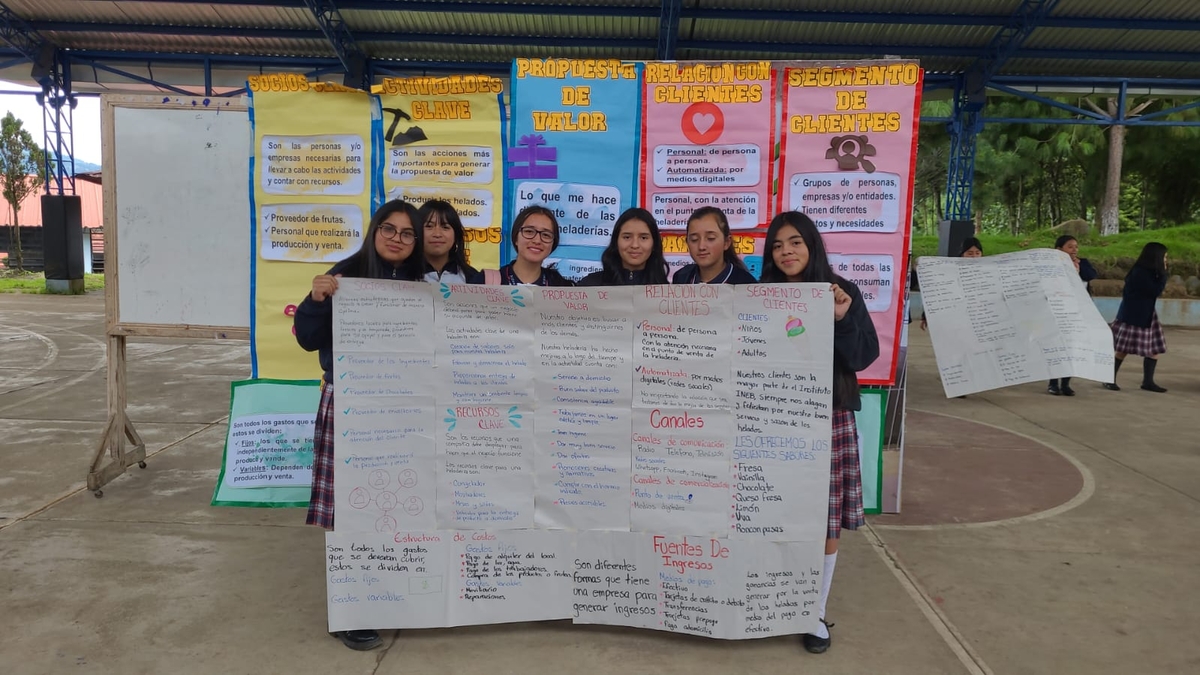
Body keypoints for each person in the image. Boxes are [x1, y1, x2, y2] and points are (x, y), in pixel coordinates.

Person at [292, 199, 425, 652]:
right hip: (350, 403)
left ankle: (389, 595)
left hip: (404, 409)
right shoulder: (344, 276)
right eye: (390, 229)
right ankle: (351, 607)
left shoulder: (422, 283)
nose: (397, 239)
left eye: (407, 234)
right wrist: (316, 299)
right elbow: (309, 339)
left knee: (395, 505)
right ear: (374, 231)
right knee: (348, 513)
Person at [759, 211, 880, 655]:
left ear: (811, 245)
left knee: (826, 520)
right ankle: (772, 601)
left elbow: (864, 355)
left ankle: (814, 610)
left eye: (795, 242)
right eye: (777, 245)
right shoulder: (759, 297)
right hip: (768, 418)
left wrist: (843, 317)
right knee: (771, 511)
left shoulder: (839, 292)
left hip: (826, 418)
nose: (786, 252)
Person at [1104, 242, 1170, 393]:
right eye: (1164, 257)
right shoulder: (1141, 272)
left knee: (1154, 348)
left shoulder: (1151, 271)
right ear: (1156, 257)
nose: (1166, 260)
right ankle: (1109, 378)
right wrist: (1164, 275)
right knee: (1123, 349)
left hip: (1146, 313)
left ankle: (1148, 381)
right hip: (1133, 315)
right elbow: (1154, 291)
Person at [468, 205, 573, 286]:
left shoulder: (562, 287)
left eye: (546, 235)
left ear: (553, 243)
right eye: (529, 231)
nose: (537, 240)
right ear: (516, 238)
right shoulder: (484, 282)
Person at [1047, 235, 1099, 396]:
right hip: (1058, 311)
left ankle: (1066, 383)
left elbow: (1091, 275)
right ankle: (1053, 383)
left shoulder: (1082, 263)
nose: (1074, 250)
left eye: (1076, 246)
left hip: (1077, 312)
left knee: (1072, 347)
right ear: (1059, 249)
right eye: (1070, 247)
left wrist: (1077, 268)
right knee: (1057, 347)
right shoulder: (1050, 265)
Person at [577, 207, 670, 286]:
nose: (635, 245)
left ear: (654, 243)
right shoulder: (590, 285)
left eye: (643, 238)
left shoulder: (666, 292)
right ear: (616, 241)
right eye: (627, 237)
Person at [671, 206, 757, 285]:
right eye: (694, 239)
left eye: (710, 238)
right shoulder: (681, 278)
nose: (701, 246)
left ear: (726, 242)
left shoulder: (746, 284)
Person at [919, 237, 983, 331]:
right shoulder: (950, 272)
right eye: (970, 253)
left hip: (979, 319)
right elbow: (938, 294)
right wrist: (925, 315)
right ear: (962, 255)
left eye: (977, 253)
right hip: (955, 320)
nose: (974, 257)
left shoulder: (988, 273)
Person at [418, 199, 477, 284]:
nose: (437, 234)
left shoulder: (473, 278)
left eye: (445, 227)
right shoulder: (402, 275)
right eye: (429, 226)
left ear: (456, 234)